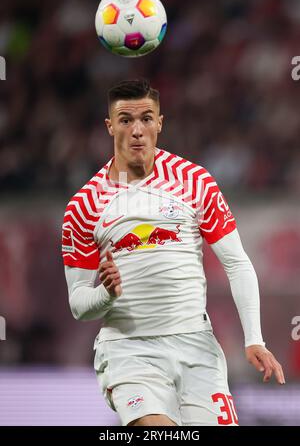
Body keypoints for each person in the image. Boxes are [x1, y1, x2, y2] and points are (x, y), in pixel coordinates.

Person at [62, 79, 285, 427]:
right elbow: (78, 303)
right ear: (110, 126)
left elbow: (237, 263)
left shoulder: (194, 181)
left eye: (146, 118)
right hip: (130, 351)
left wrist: (254, 339)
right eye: (125, 120)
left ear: (160, 123)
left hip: (197, 347)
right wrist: (106, 295)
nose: (137, 130)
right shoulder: (84, 206)